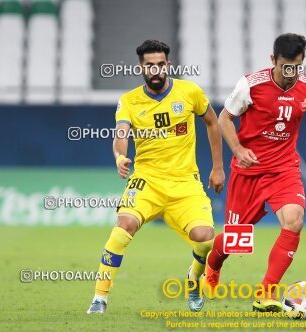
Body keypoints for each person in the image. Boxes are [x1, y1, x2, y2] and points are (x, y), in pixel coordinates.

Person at [201, 33, 306, 312]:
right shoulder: (251, 85)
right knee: (234, 241)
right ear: (273, 60)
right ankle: (212, 264)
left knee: (294, 220)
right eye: (285, 67)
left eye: (297, 67)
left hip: (284, 170)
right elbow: (224, 118)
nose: (291, 74)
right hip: (249, 171)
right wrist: (238, 149)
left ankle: (265, 292)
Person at [87, 40, 225, 314]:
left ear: (168, 65)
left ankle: (192, 279)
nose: (156, 70)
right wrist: (120, 157)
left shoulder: (190, 92)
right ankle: (99, 298)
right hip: (147, 181)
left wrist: (218, 167)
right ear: (141, 67)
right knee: (122, 227)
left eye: (161, 64)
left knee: (206, 238)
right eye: (150, 65)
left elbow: (212, 121)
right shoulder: (129, 101)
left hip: (185, 182)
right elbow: (120, 136)